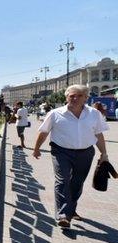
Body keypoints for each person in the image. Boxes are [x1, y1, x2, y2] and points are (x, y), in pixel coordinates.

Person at [32, 85, 109, 228]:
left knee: (77, 182)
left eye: (79, 96)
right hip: (61, 151)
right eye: (72, 96)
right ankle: (63, 215)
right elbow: (43, 132)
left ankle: (71, 210)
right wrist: (36, 149)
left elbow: (98, 134)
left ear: (86, 98)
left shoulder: (94, 114)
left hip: (85, 152)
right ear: (66, 97)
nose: (75, 98)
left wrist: (104, 154)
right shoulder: (55, 113)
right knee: (63, 180)